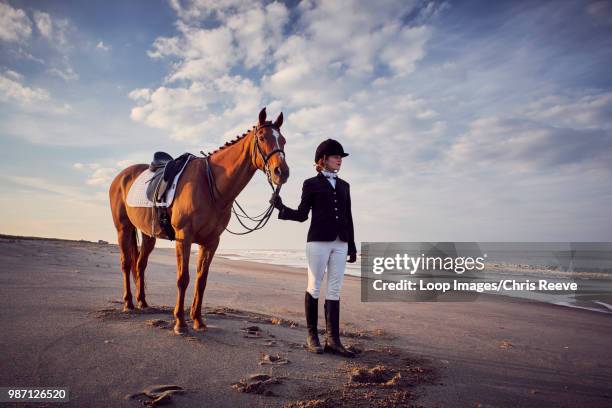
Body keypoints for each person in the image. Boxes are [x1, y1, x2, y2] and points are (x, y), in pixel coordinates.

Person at [269, 138, 357, 358]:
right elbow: (301, 215)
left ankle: (333, 340)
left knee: (335, 290)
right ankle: (313, 337)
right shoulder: (311, 184)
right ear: (324, 160)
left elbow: (348, 217)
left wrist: (352, 246)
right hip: (317, 241)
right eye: (336, 157)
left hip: (341, 242)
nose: (340, 161)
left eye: (341, 157)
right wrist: (281, 207)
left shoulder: (345, 186)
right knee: (314, 287)